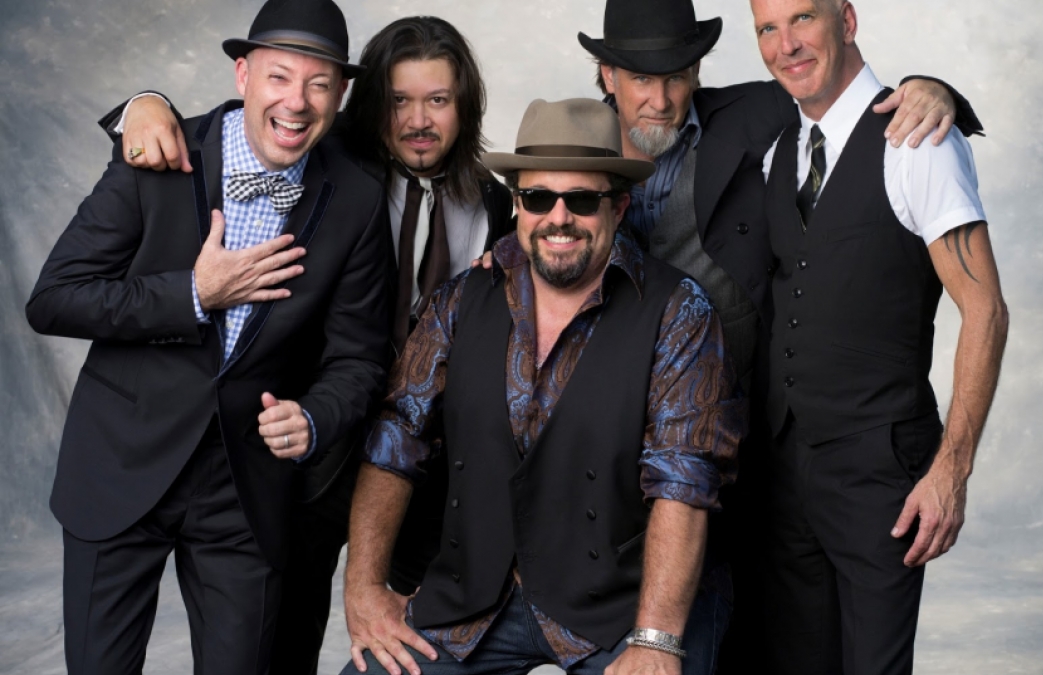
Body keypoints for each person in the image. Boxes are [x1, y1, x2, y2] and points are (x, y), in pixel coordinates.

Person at [99, 16, 515, 674]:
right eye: (400, 101)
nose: (419, 121)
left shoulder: (490, 201)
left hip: (424, 459)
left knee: (423, 638)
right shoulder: (324, 166)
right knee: (283, 638)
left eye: (438, 100)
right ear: (369, 102)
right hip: (312, 445)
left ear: (464, 105)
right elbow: (250, 121)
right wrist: (144, 104)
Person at [576, 0, 982, 665]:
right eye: (639, 77)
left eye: (676, 75)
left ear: (697, 70)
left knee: (754, 638)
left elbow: (845, 93)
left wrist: (935, 93)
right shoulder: (573, 146)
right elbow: (531, 228)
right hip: (616, 442)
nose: (660, 98)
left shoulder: (754, 114)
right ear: (606, 76)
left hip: (744, 437)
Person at [24, 0, 392, 672]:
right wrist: (193, 295)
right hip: (122, 463)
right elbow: (53, 300)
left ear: (341, 95)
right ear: (243, 74)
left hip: (245, 489)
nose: (297, 102)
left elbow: (359, 358)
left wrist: (314, 416)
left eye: (319, 84)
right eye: (279, 77)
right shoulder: (157, 154)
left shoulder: (358, 200)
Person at [340, 98, 746, 675]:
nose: (559, 218)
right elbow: (394, 440)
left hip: (627, 605)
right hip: (478, 596)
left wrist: (656, 639)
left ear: (619, 206)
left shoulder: (680, 314)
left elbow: (684, 480)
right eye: (537, 198)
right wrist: (363, 587)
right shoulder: (459, 301)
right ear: (516, 204)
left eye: (581, 199)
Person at [751, 0, 1009, 673]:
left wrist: (952, 470)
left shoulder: (919, 140)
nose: (786, 44)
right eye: (768, 28)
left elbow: (986, 310)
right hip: (786, 472)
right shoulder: (778, 154)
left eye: (802, 19)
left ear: (846, 20)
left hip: (878, 467)